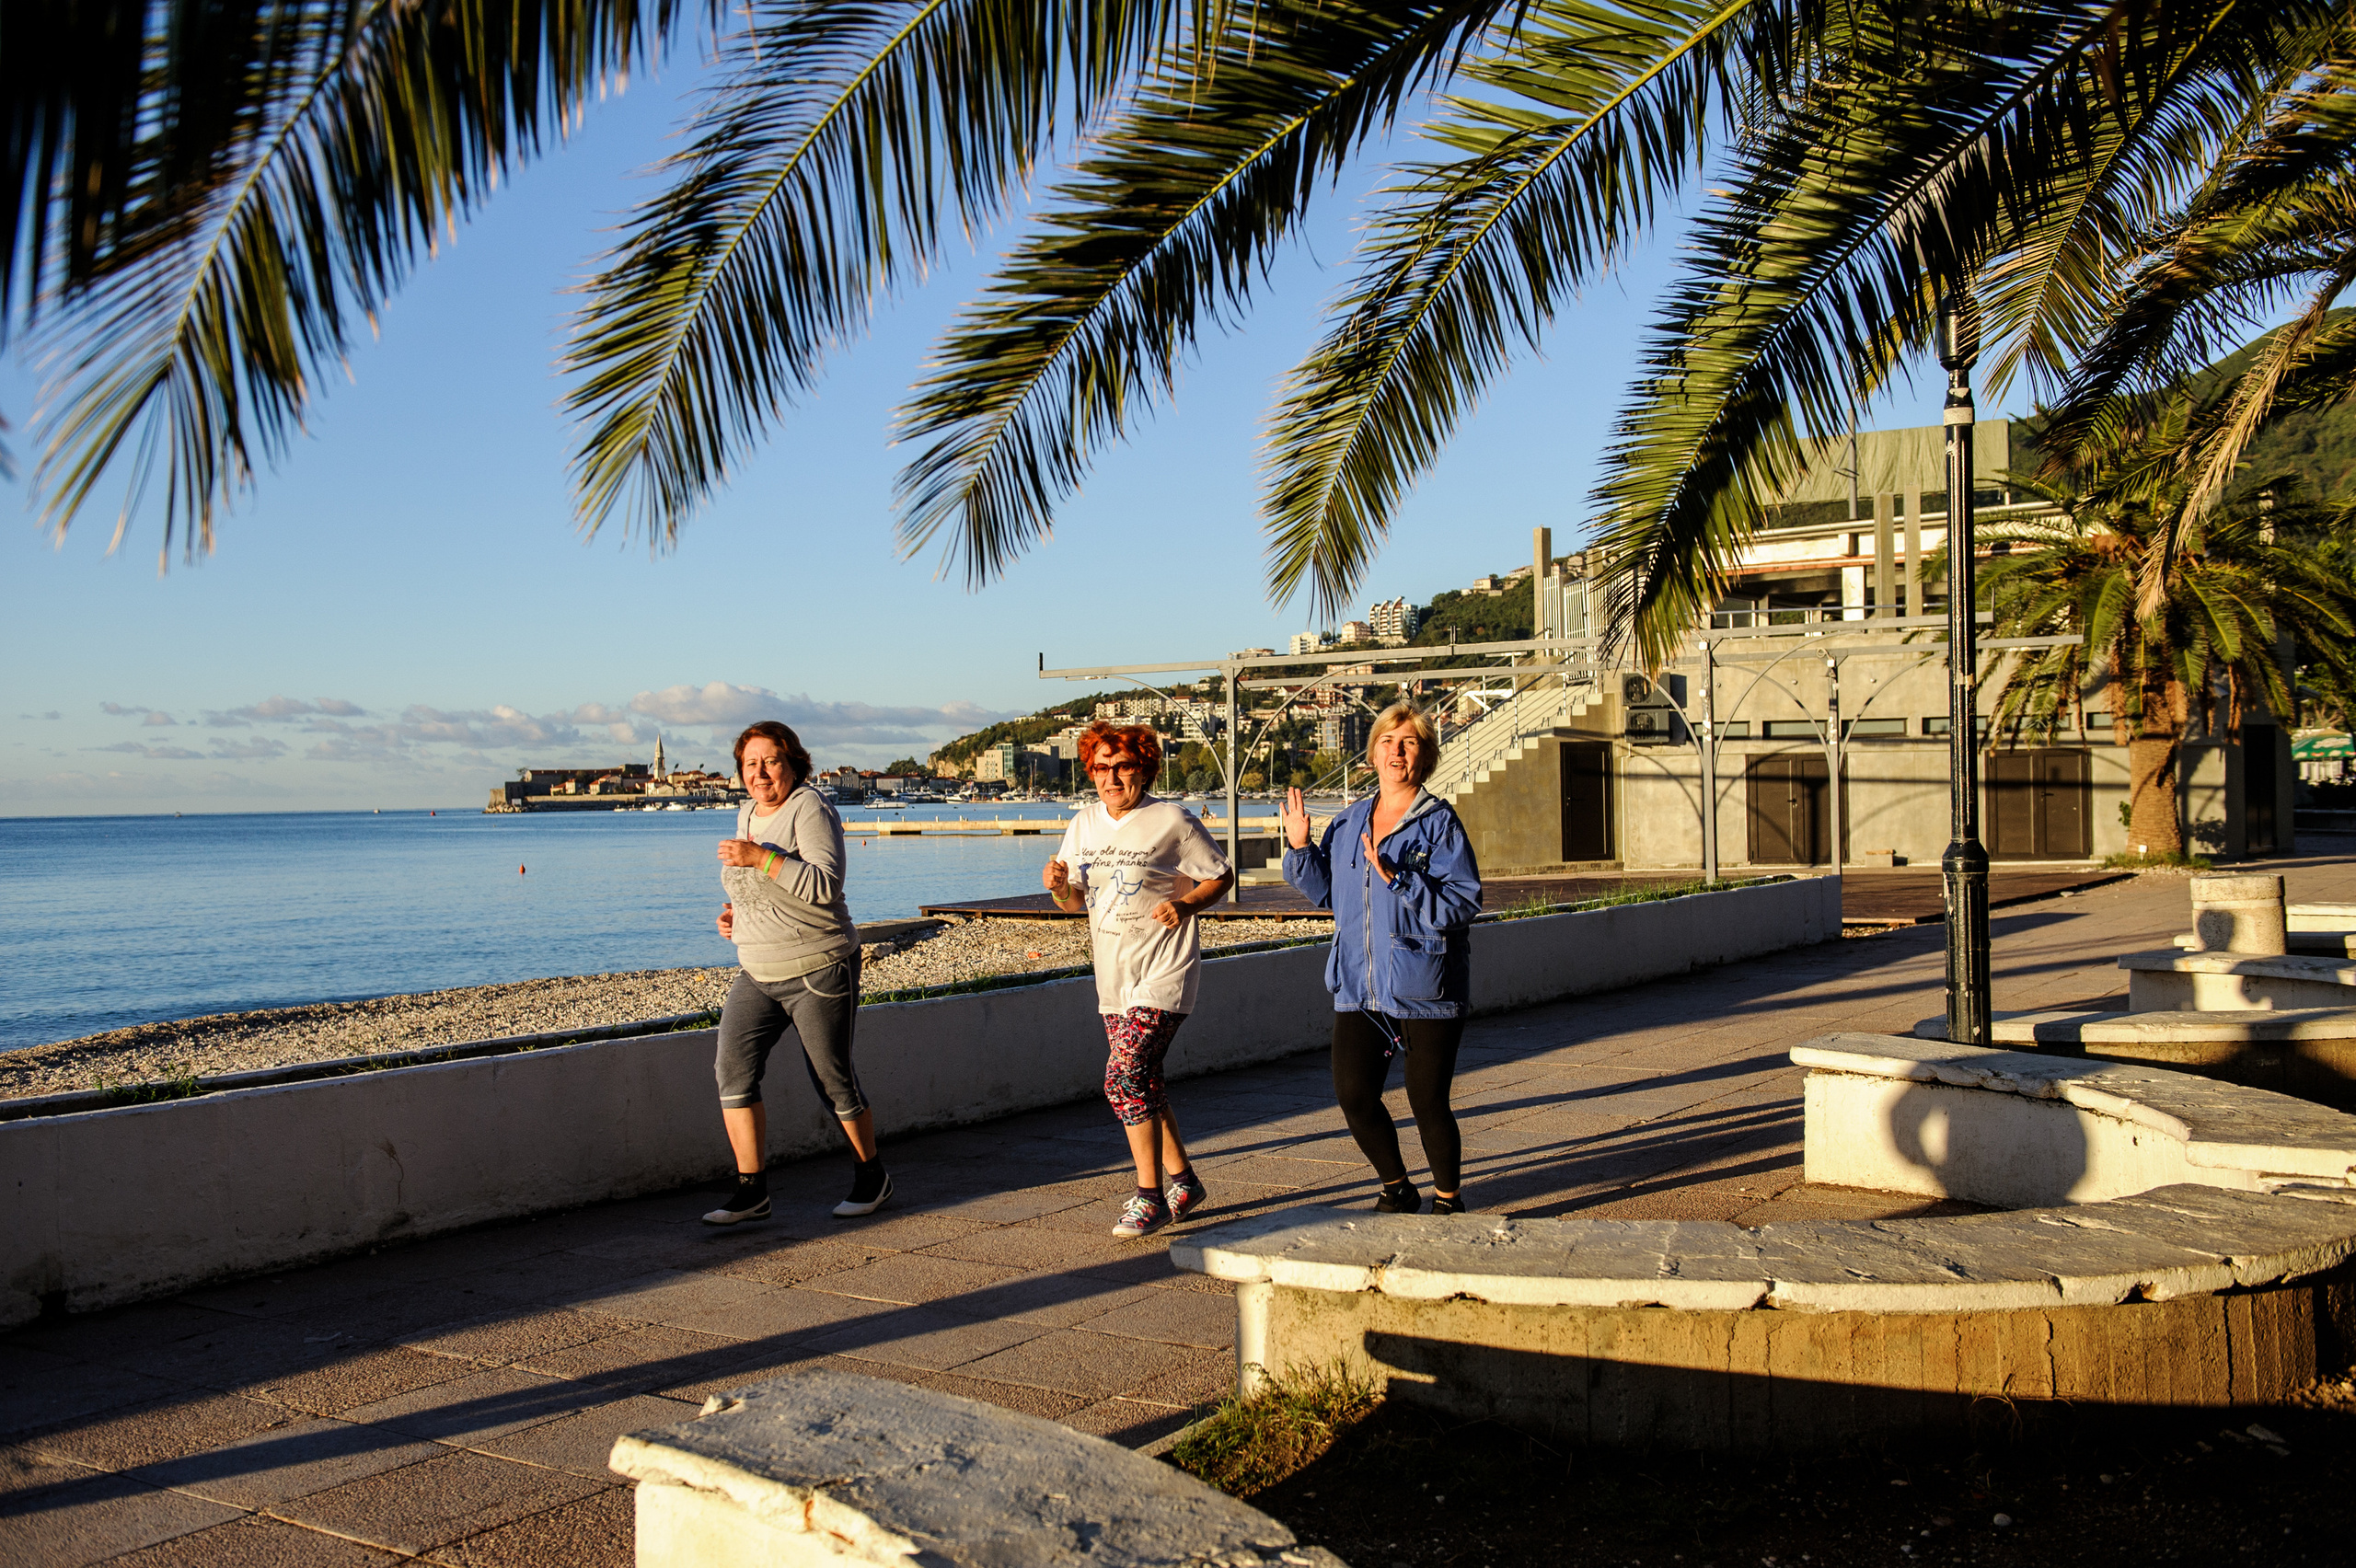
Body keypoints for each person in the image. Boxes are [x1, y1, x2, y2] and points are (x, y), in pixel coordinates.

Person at [1281, 702, 1483, 1215]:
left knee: (1428, 1102)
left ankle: (1448, 1199)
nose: (1398, 751)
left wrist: (1401, 880)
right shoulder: (1348, 823)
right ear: (1371, 754)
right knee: (1353, 1096)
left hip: (1424, 986)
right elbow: (1327, 894)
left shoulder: (1439, 823)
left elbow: (1464, 901)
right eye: (1389, 741)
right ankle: (1396, 1186)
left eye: (1410, 742)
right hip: (1359, 986)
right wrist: (1301, 849)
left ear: (1425, 756)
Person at [1045, 721, 1234, 1238]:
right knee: (1145, 1081)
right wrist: (1061, 887)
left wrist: (1186, 903)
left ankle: (1148, 1196)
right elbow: (1074, 903)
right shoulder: (1083, 824)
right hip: (1114, 977)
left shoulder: (1170, 819)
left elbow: (1220, 874)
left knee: (1121, 1077)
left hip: (1165, 970)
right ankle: (1185, 1181)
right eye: (1101, 768)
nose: (1111, 778)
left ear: (1143, 768)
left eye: (1122, 766)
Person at [705, 721, 890, 1225]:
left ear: (793, 763)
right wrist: (735, 913)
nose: (760, 773)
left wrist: (760, 858)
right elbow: (762, 886)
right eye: (750, 764)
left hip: (819, 965)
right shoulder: (746, 813)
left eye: (771, 761)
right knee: (732, 1072)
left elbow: (824, 885)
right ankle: (751, 1191)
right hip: (757, 968)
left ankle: (872, 1177)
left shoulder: (810, 807)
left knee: (831, 1079)